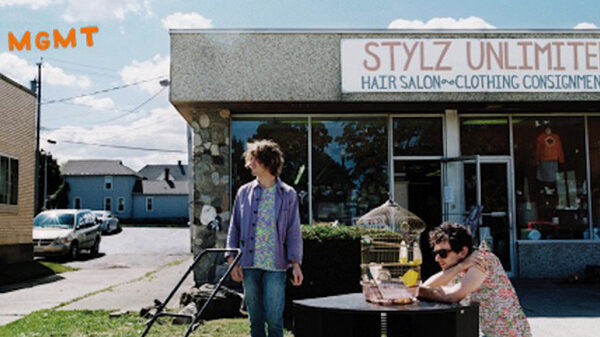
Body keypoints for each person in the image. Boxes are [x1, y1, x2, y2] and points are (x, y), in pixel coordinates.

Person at [226, 139, 303, 337]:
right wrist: (231, 259)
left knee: (275, 321)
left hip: (275, 267)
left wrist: (295, 263)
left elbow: (294, 231)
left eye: (254, 160)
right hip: (249, 265)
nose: (249, 164)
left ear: (267, 162)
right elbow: (234, 226)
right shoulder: (244, 192)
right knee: (255, 321)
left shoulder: (288, 194)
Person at [418, 222, 531, 337]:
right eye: (435, 253)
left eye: (442, 253)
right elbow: (426, 287)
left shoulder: (481, 260)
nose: (437, 259)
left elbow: (452, 295)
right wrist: (460, 267)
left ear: (462, 252)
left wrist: (414, 291)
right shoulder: (459, 266)